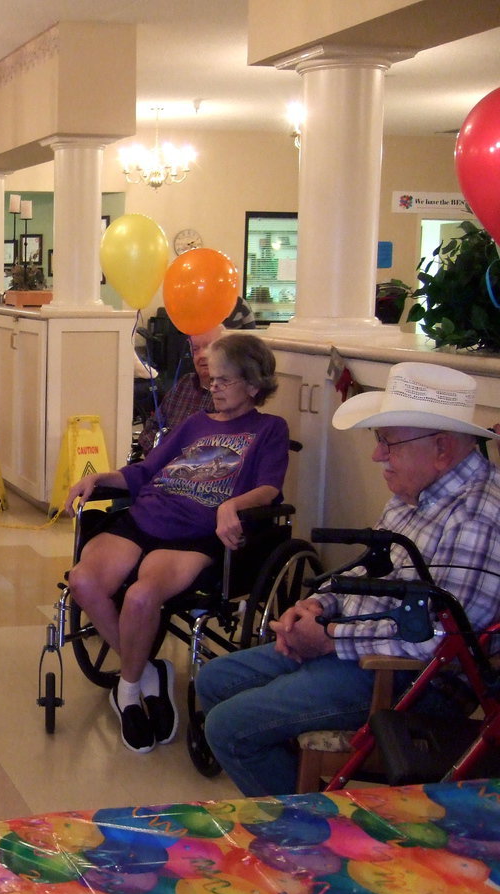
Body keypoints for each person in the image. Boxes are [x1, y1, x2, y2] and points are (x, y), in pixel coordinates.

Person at [197, 361, 500, 797]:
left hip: (408, 679)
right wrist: (318, 605)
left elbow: (436, 638)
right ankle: (293, 785)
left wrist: (329, 638)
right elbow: (369, 567)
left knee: (228, 729)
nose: (378, 455)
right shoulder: (416, 494)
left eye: (388, 443)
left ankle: (312, 833)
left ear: (441, 448)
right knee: (213, 682)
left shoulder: (475, 517)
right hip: (356, 645)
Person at [65, 333, 289, 754]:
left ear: (254, 385)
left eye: (225, 380)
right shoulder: (195, 423)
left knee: (140, 598)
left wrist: (231, 506)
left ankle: (127, 691)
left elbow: (270, 490)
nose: (214, 387)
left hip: (193, 534)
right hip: (144, 515)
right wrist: (98, 478)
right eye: (213, 380)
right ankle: (149, 672)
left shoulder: (269, 430)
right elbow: (147, 469)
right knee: (83, 582)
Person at [137, 324, 223, 456]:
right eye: (196, 349)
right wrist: (163, 454)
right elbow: (150, 429)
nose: (202, 355)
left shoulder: (229, 394)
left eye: (210, 347)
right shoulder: (184, 385)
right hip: (163, 467)